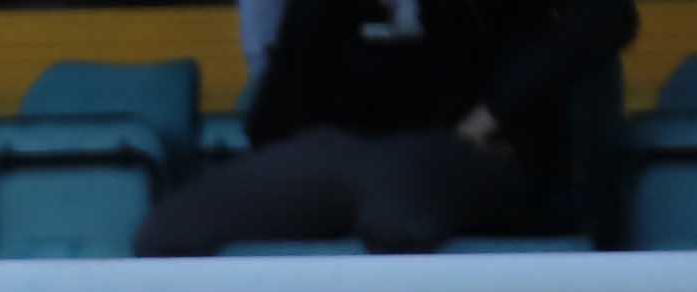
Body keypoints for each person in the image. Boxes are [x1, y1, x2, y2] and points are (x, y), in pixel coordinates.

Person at [135, 0, 637, 256]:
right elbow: (274, 117)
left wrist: (493, 112)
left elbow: (608, 16)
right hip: (347, 150)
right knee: (171, 231)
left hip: (484, 150)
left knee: (397, 208)